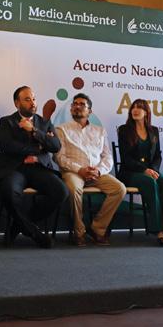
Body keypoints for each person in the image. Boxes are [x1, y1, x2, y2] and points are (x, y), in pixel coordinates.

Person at [0, 86, 68, 248]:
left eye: (34, 99)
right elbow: (7, 145)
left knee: (61, 191)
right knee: (10, 192)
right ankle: (36, 234)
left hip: (38, 168)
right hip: (14, 168)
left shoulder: (44, 123)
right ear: (17, 103)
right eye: (27, 99)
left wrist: (34, 131)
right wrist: (39, 147)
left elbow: (55, 146)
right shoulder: (6, 122)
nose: (33, 103)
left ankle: (18, 226)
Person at [55, 93, 127, 246]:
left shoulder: (100, 131)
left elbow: (107, 157)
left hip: (96, 173)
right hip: (74, 172)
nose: (77, 106)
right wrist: (80, 170)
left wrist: (98, 171)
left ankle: (97, 228)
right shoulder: (61, 129)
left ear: (90, 111)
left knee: (119, 189)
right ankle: (79, 232)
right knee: (74, 189)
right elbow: (59, 158)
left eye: (82, 104)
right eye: (75, 104)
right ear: (71, 109)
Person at [118, 99, 163, 246]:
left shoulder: (154, 131)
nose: (135, 110)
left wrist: (154, 170)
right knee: (150, 182)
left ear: (146, 112)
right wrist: (144, 170)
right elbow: (126, 158)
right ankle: (160, 229)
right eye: (133, 107)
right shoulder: (124, 130)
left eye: (139, 108)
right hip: (130, 172)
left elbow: (157, 155)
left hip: (151, 170)